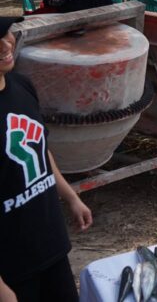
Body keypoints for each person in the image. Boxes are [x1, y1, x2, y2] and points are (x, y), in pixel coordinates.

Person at [0, 16, 93, 302]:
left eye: (7, 33)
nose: (6, 44)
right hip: (12, 267)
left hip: (50, 243)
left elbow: (40, 149)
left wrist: (69, 196)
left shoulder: (21, 86)